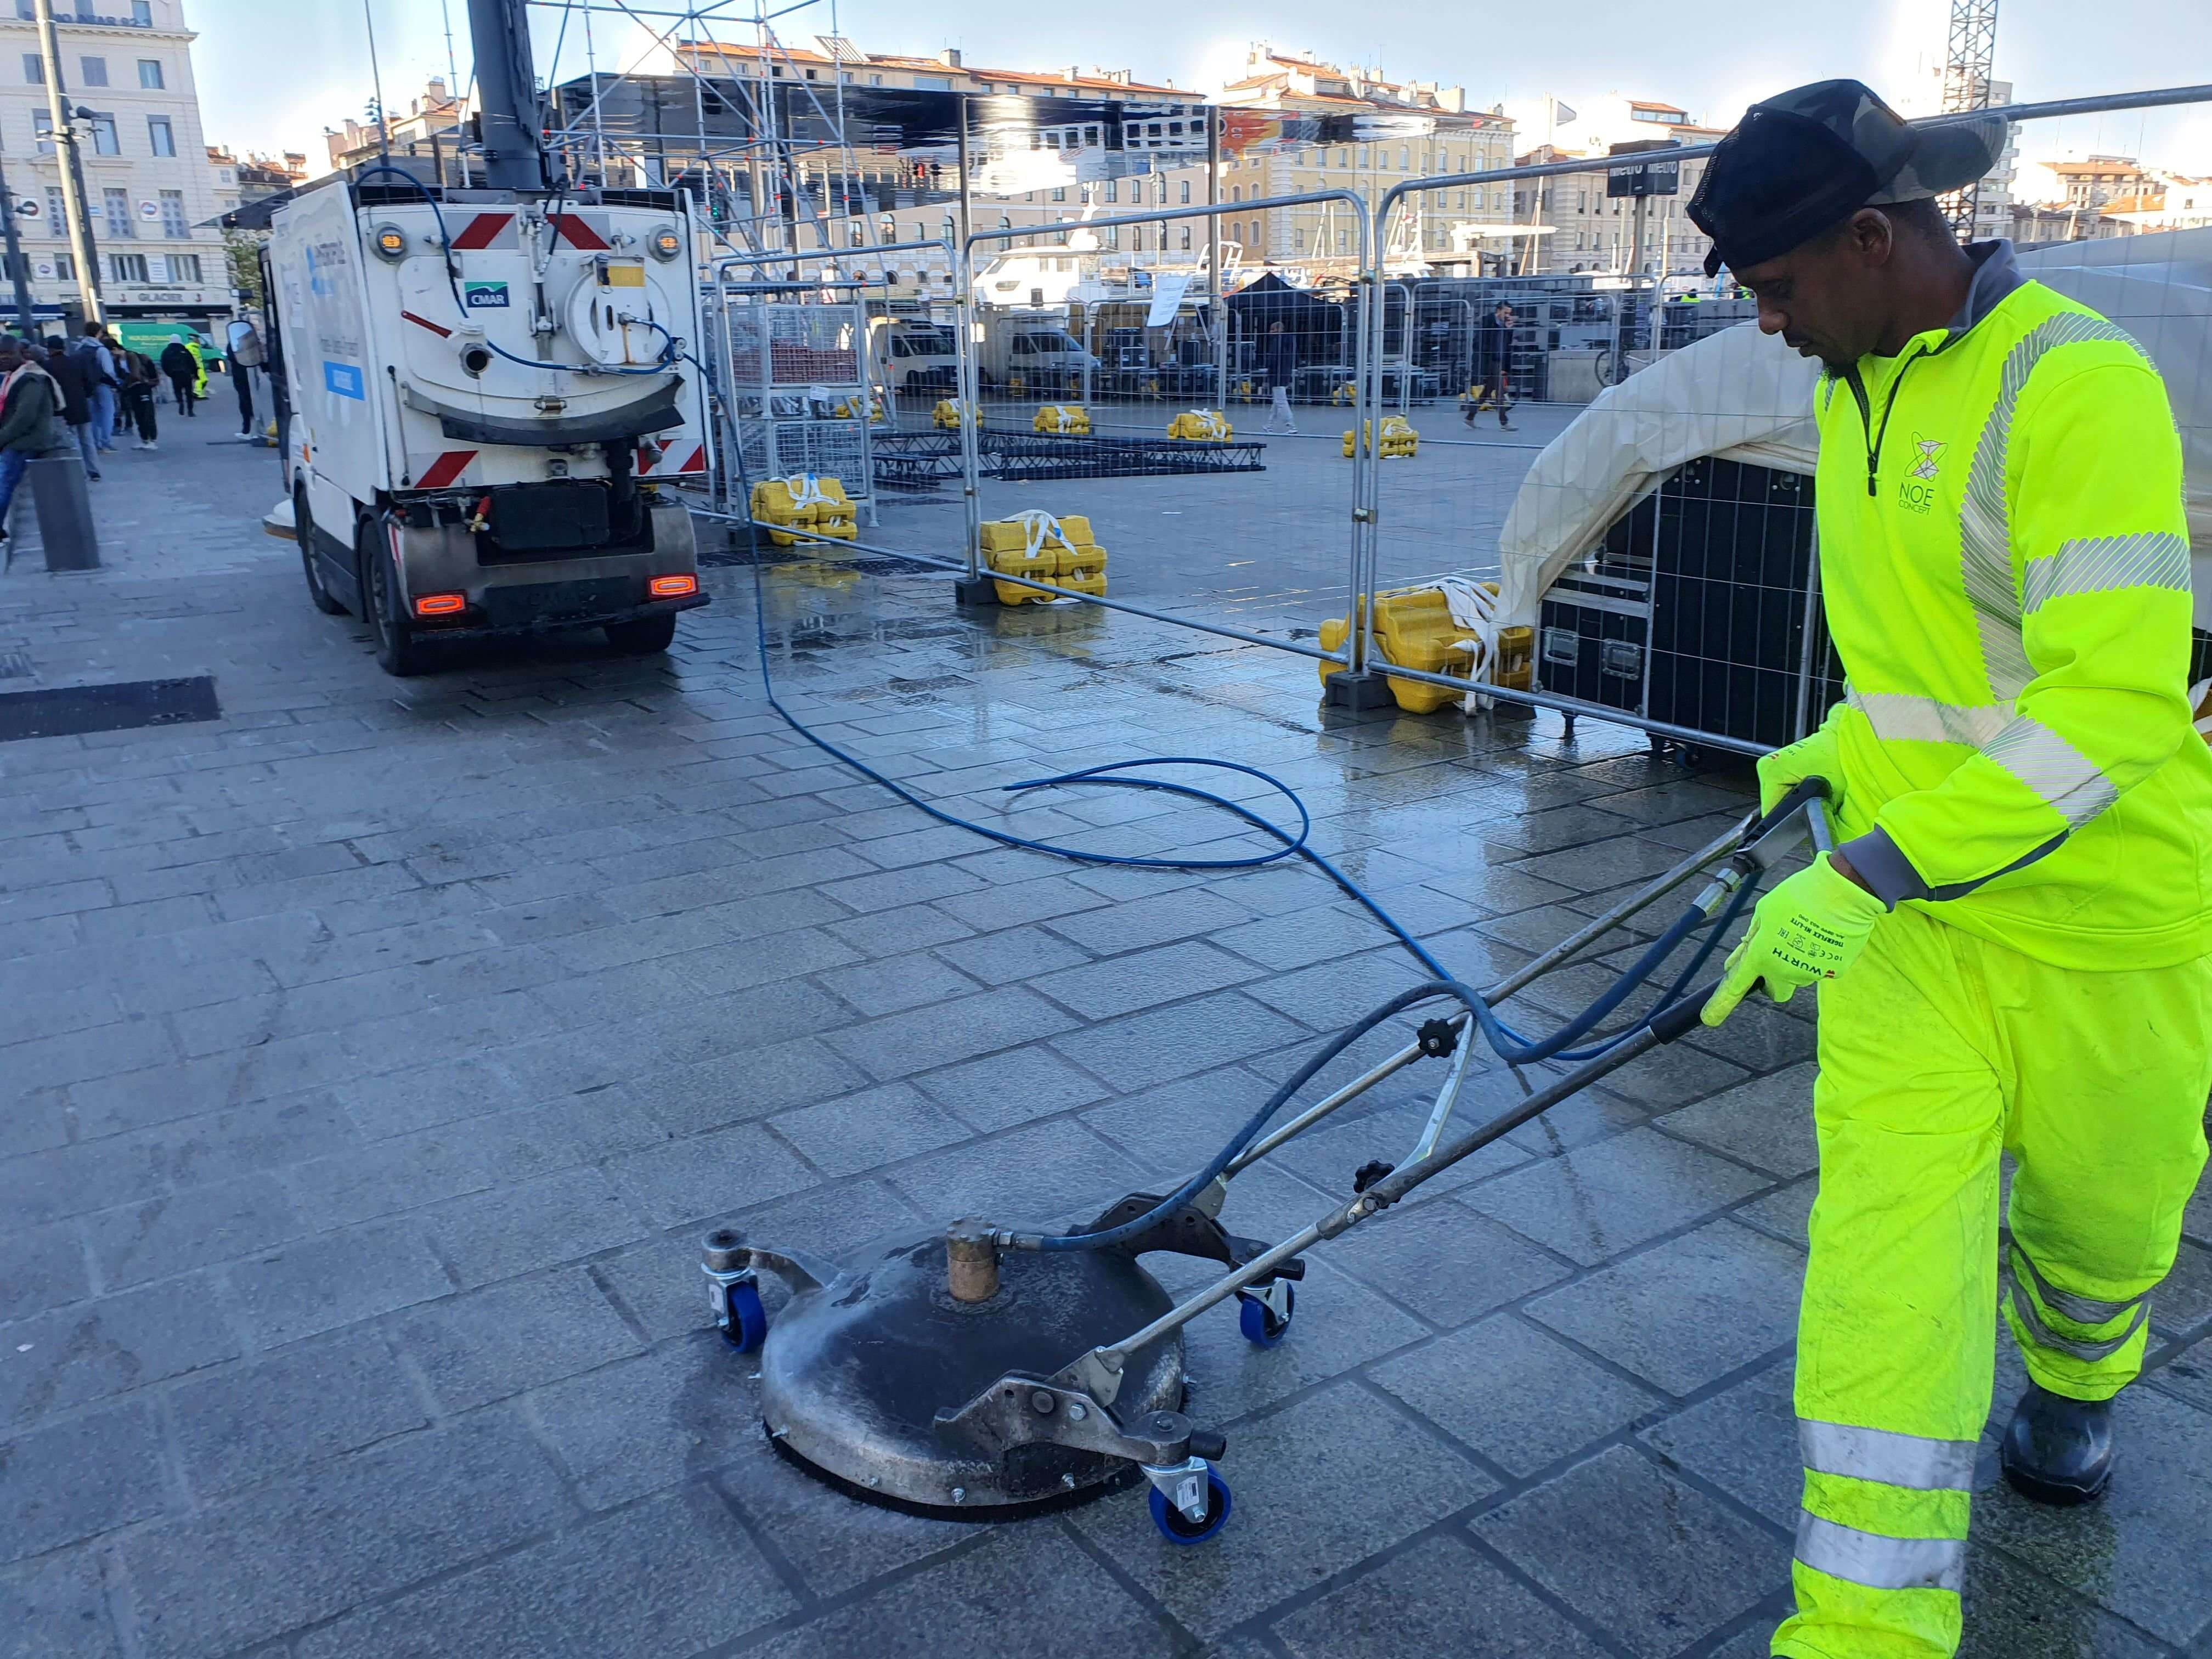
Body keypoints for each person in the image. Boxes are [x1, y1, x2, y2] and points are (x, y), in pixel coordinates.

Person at [1688, 80, 2212, 1659]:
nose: (1767, 329)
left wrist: (1877, 866)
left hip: (2101, 931)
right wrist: (1840, 764)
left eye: (1777, 290)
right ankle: (1861, 1631)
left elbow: (2109, 699)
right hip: (1912, 939)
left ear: (1871, 238)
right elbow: (1925, 665)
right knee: (1887, 1268)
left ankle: (2078, 1388)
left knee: (2102, 1234)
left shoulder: (2075, 383)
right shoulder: (1858, 378)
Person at [0, 335, 84, 540]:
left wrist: (2, 439)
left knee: (4, 482)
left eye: (8, 354)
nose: (3, 358)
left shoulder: (31, 378)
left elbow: (25, 416)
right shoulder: (14, 377)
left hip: (26, 440)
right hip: (20, 438)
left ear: (21, 353)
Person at [41, 334, 99, 481]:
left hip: (63, 408)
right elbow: (89, 382)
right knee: (87, 440)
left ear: (50, 350)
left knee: (73, 442)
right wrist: (85, 395)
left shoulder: (46, 367)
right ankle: (94, 470)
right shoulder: (75, 362)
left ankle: (80, 473)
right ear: (64, 347)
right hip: (81, 405)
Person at [1466, 300, 1515, 430]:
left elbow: (1507, 345)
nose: (1507, 316)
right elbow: (1479, 344)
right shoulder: (1487, 323)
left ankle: (1470, 417)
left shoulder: (1503, 326)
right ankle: (1504, 422)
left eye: (1509, 314)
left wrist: (1509, 330)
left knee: (1487, 392)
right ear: (1498, 311)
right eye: (1506, 313)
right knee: (1499, 391)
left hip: (1499, 362)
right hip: (1489, 361)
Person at [76, 326, 120, 453]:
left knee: (93, 415)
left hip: (87, 386)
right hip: (102, 385)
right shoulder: (101, 350)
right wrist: (116, 382)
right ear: (98, 333)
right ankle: (106, 442)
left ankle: (96, 443)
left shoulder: (79, 348)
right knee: (107, 413)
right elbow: (109, 370)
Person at [1261, 319, 1299, 433]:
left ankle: (1291, 425)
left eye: (1272, 330)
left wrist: (1267, 367)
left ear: (1277, 330)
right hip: (1285, 373)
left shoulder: (1277, 342)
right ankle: (1270, 425)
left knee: (1281, 402)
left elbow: (1273, 358)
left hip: (1276, 375)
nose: (1270, 332)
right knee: (1277, 402)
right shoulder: (1289, 342)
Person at [120, 351, 159, 450]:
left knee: (147, 413)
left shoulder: (134, 357)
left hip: (143, 387)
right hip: (133, 389)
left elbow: (136, 375)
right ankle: (144, 439)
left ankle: (152, 440)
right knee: (138, 414)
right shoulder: (120, 360)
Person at [160, 333, 200, 415]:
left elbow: (164, 364)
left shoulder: (166, 351)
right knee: (189, 393)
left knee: (178, 391)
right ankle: (190, 410)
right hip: (186, 374)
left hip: (175, 375)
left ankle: (180, 403)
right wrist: (195, 374)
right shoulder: (185, 350)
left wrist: (169, 374)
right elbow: (192, 363)